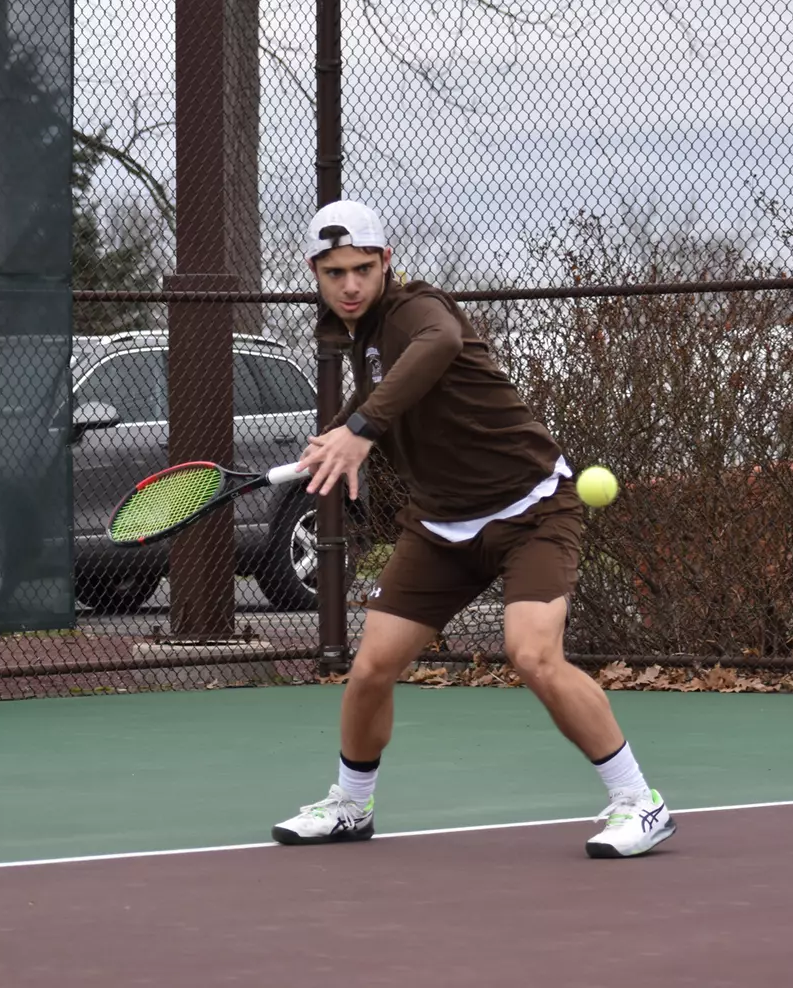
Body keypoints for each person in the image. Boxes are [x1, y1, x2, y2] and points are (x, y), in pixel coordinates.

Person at [270, 199, 675, 859]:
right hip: (440, 526)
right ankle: (350, 805)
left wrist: (362, 429)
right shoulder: (360, 338)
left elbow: (439, 346)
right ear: (314, 272)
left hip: (531, 510)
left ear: (386, 264)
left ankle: (640, 803)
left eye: (363, 269)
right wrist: (339, 434)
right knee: (370, 668)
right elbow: (386, 390)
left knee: (533, 653)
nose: (350, 284)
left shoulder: (414, 310)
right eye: (335, 271)